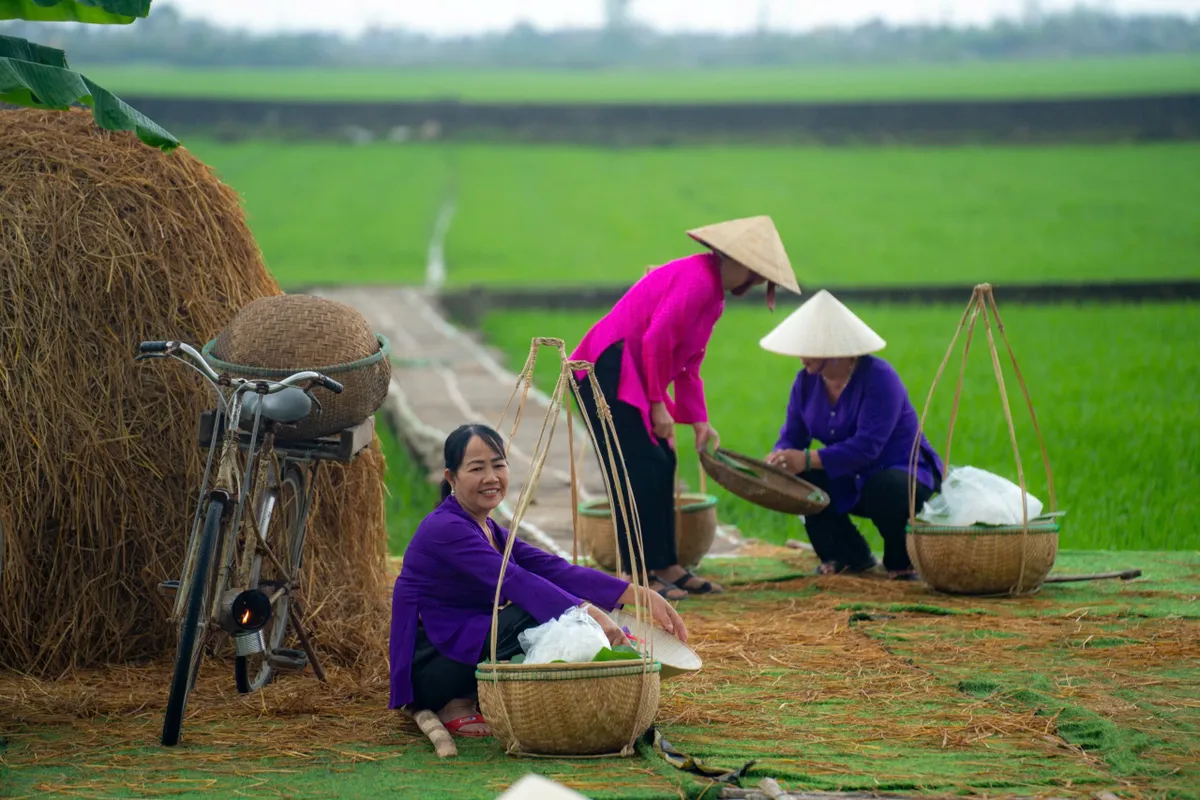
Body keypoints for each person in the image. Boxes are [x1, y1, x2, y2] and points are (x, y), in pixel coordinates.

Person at [388, 423, 687, 738]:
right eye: (477, 468)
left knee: (552, 605)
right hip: (429, 667)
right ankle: (454, 701)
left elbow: (553, 569)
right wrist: (588, 613)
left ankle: (470, 695)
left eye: (498, 465)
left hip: (453, 651)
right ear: (451, 478)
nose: (491, 477)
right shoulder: (445, 528)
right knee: (532, 612)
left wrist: (637, 594)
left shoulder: (488, 528)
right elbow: (515, 580)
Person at [571, 216, 802, 600]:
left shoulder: (713, 296)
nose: (758, 281)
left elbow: (689, 363)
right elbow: (657, 340)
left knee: (662, 462)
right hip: (605, 367)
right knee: (636, 466)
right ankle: (637, 573)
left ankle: (666, 565)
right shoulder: (698, 279)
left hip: (634, 368)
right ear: (734, 260)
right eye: (756, 272)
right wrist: (659, 404)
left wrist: (699, 421)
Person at [759, 290, 944, 581]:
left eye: (808, 348)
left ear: (834, 350)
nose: (800, 356)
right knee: (801, 481)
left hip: (898, 475)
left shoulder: (880, 378)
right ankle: (847, 554)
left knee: (886, 487)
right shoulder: (805, 383)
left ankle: (902, 560)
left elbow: (866, 448)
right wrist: (781, 456)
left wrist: (805, 458)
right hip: (849, 478)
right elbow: (792, 435)